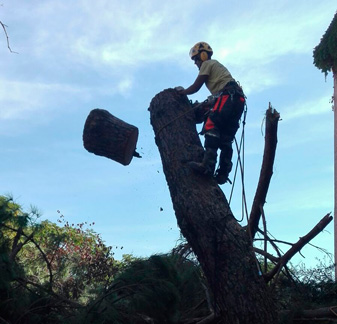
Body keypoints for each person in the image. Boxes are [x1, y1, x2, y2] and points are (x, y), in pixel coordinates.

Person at [178, 42, 246, 185]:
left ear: (203, 55)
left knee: (211, 125)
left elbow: (196, 87)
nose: (196, 64)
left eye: (196, 59)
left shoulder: (207, 64)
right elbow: (217, 97)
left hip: (228, 97)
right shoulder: (219, 69)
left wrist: (182, 92)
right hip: (237, 100)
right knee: (226, 138)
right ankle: (223, 173)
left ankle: (207, 165)